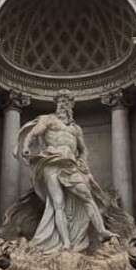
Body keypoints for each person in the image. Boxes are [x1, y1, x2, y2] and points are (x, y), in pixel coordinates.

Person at [16, 94, 117, 252]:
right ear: (56, 105)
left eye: (67, 103)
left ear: (71, 106)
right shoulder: (48, 120)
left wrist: (83, 162)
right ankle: (66, 243)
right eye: (61, 102)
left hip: (71, 165)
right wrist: (26, 147)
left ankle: (102, 230)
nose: (63, 106)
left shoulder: (75, 129)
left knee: (88, 197)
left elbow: (83, 150)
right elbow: (32, 135)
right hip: (51, 162)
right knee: (58, 204)